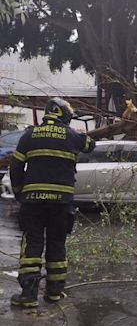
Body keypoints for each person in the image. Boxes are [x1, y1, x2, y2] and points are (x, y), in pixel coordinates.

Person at [9, 97, 95, 308]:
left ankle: (29, 296)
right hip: (61, 204)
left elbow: (16, 167)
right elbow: (90, 146)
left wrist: (20, 192)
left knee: (32, 245)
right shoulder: (72, 135)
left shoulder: (29, 135)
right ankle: (54, 293)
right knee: (57, 245)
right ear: (63, 114)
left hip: (33, 203)